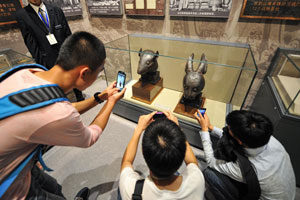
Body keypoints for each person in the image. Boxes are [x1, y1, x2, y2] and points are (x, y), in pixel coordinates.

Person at [0, 31, 126, 200]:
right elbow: (90, 136)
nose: (99, 76)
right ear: (84, 73)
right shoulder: (57, 112)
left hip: (22, 164)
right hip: (9, 186)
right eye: (99, 72)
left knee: (53, 187)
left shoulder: (30, 71)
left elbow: (65, 109)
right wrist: (111, 102)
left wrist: (99, 98)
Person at [194, 110, 296, 200]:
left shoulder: (248, 168)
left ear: (239, 141)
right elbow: (237, 136)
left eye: (229, 128)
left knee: (209, 172)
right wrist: (211, 127)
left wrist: (204, 130)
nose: (227, 128)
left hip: (258, 194)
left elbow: (211, 161)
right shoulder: (267, 138)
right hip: (284, 191)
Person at [119, 111, 205, 200]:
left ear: (142, 151)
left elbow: (126, 162)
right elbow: (192, 162)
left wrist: (138, 130)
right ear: (182, 153)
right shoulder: (197, 180)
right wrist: (177, 129)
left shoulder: (130, 188)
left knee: (121, 184)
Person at [15, 0, 84, 101]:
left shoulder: (56, 10)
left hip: (64, 52)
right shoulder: (22, 15)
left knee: (72, 75)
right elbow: (30, 42)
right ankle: (62, 102)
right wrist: (41, 62)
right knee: (56, 83)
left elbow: (67, 33)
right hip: (46, 56)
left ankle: (79, 97)